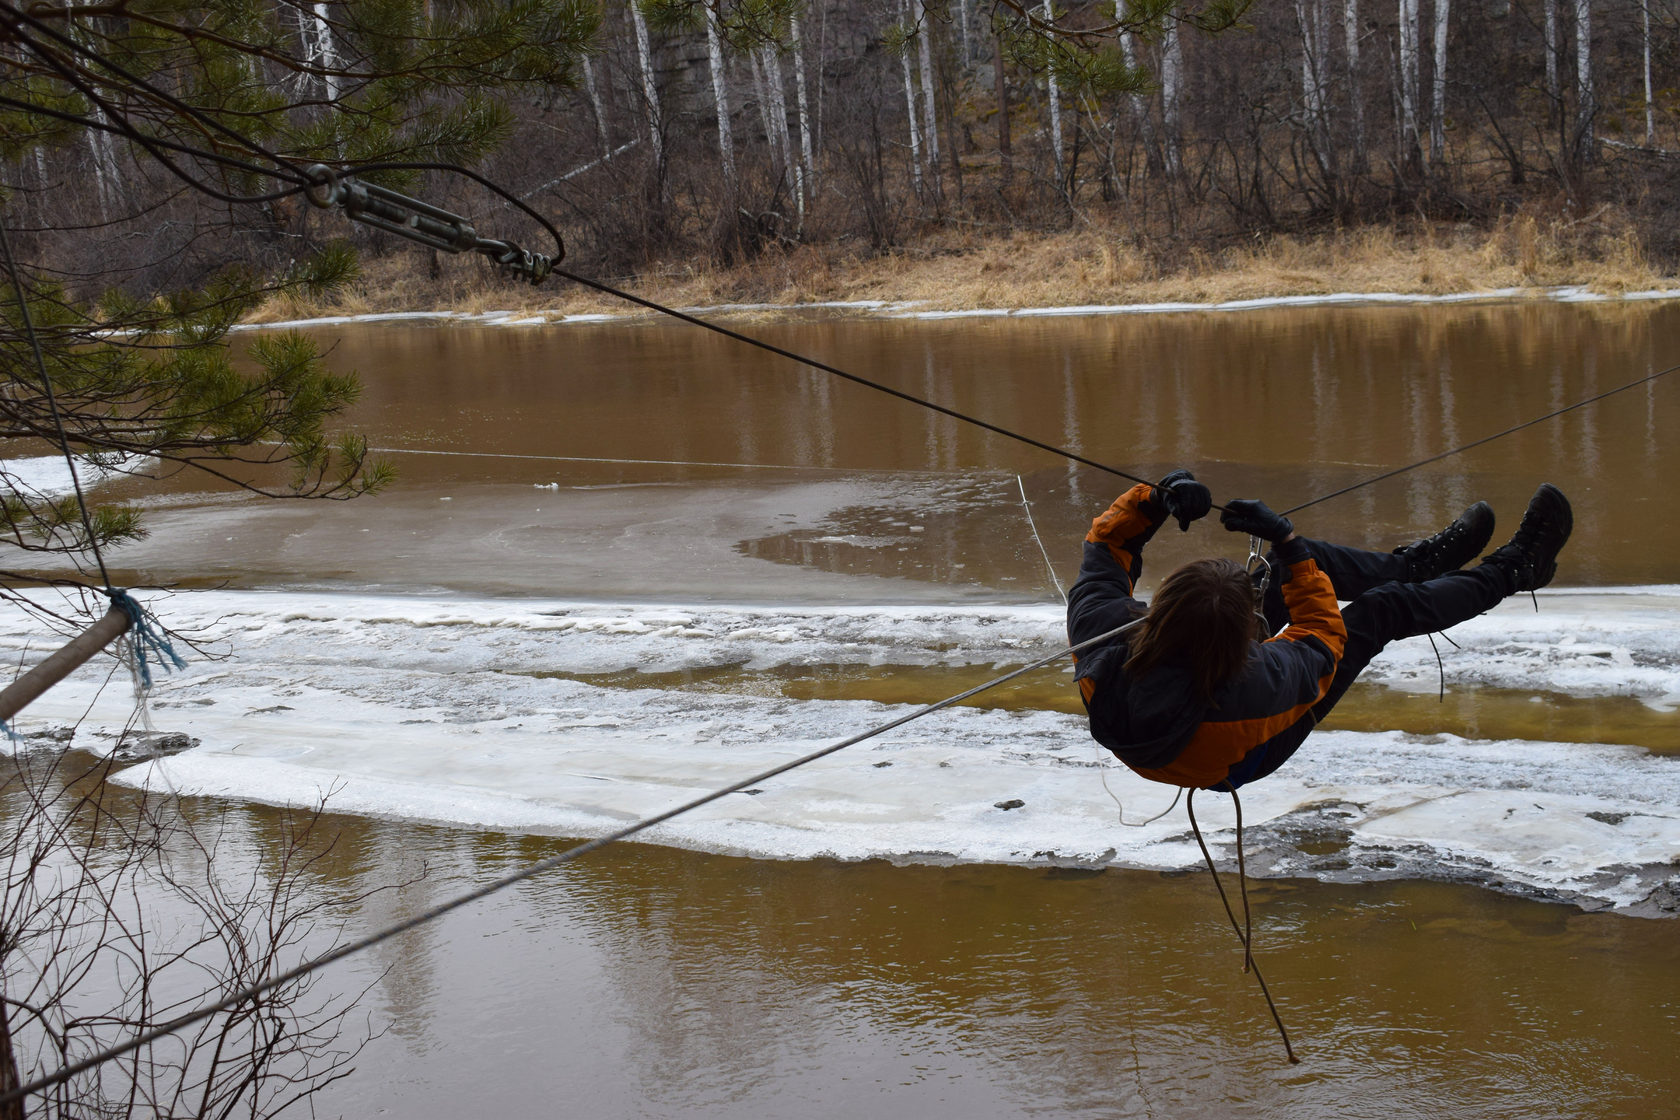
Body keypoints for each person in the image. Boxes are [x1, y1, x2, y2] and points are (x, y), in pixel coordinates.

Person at [1065, 470, 1572, 791]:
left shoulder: (1105, 632)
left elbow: (1105, 550)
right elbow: (1324, 638)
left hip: (1176, 715)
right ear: (1247, 641)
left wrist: (1157, 499)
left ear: (1159, 612)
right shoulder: (1258, 683)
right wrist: (1286, 537)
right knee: (1380, 612)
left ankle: (1417, 567)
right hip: (1236, 758)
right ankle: (1517, 570)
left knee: (1295, 568)